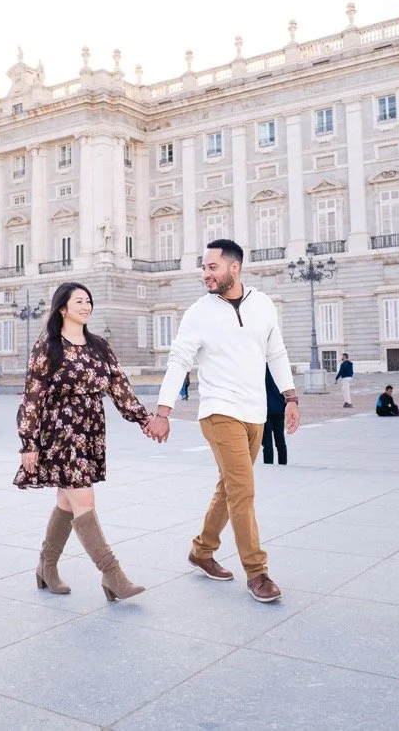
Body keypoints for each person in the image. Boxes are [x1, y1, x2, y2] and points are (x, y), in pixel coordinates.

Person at [145, 239, 298, 604]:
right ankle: (257, 572)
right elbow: (179, 361)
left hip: (255, 412)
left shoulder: (262, 305)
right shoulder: (199, 311)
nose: (205, 274)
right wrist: (163, 412)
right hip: (218, 410)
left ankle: (202, 550)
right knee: (243, 489)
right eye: (203, 267)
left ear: (234, 268)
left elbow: (276, 353)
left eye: (211, 267)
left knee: (228, 487)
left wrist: (291, 398)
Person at [14, 281, 158, 602]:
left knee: (67, 503)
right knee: (85, 501)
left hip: (90, 429)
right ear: (62, 308)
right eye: (78, 301)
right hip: (59, 433)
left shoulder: (99, 346)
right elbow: (32, 397)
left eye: (88, 301)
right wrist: (29, 442)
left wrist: (143, 418)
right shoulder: (47, 347)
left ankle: (45, 567)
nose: (86, 305)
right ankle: (113, 575)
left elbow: (119, 386)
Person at [261, 367, 287, 465]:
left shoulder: (261, 369)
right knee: (280, 440)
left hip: (266, 409)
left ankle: (268, 464)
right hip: (279, 408)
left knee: (267, 442)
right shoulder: (278, 370)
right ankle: (283, 463)